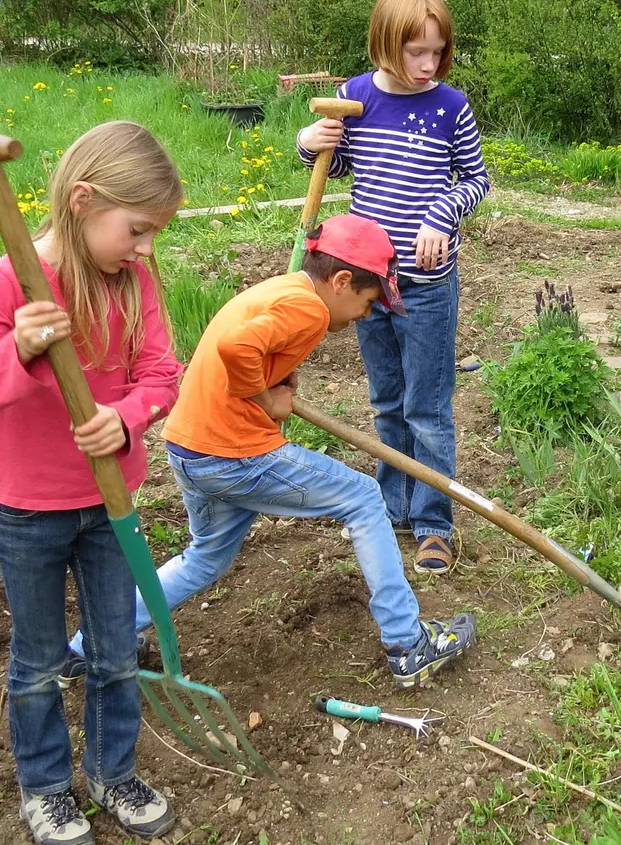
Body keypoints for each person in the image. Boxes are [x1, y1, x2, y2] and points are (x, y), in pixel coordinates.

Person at [0, 121, 183, 845]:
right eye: (136, 229)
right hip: (28, 508)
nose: (145, 247)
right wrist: (21, 348)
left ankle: (111, 770)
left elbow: (163, 376)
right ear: (83, 199)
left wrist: (126, 419)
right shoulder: (12, 281)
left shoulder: (136, 282)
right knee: (37, 660)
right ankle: (45, 789)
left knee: (114, 650)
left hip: (111, 504)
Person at [91, 213, 477, 690]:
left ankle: (92, 644)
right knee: (362, 498)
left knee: (205, 558)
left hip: (190, 447)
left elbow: (248, 345)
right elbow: (236, 348)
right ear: (340, 281)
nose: (366, 314)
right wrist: (265, 398)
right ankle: (407, 644)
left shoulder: (285, 289)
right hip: (233, 453)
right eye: (368, 301)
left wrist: (274, 380)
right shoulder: (309, 309)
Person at [296, 0, 490, 576]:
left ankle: (434, 521)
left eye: (437, 51)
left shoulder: (450, 106)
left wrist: (441, 214)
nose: (429, 64)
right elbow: (341, 162)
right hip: (365, 283)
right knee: (386, 402)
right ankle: (393, 505)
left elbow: (476, 180)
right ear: (386, 44)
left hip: (428, 282)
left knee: (426, 408)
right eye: (416, 52)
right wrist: (310, 143)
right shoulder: (355, 98)